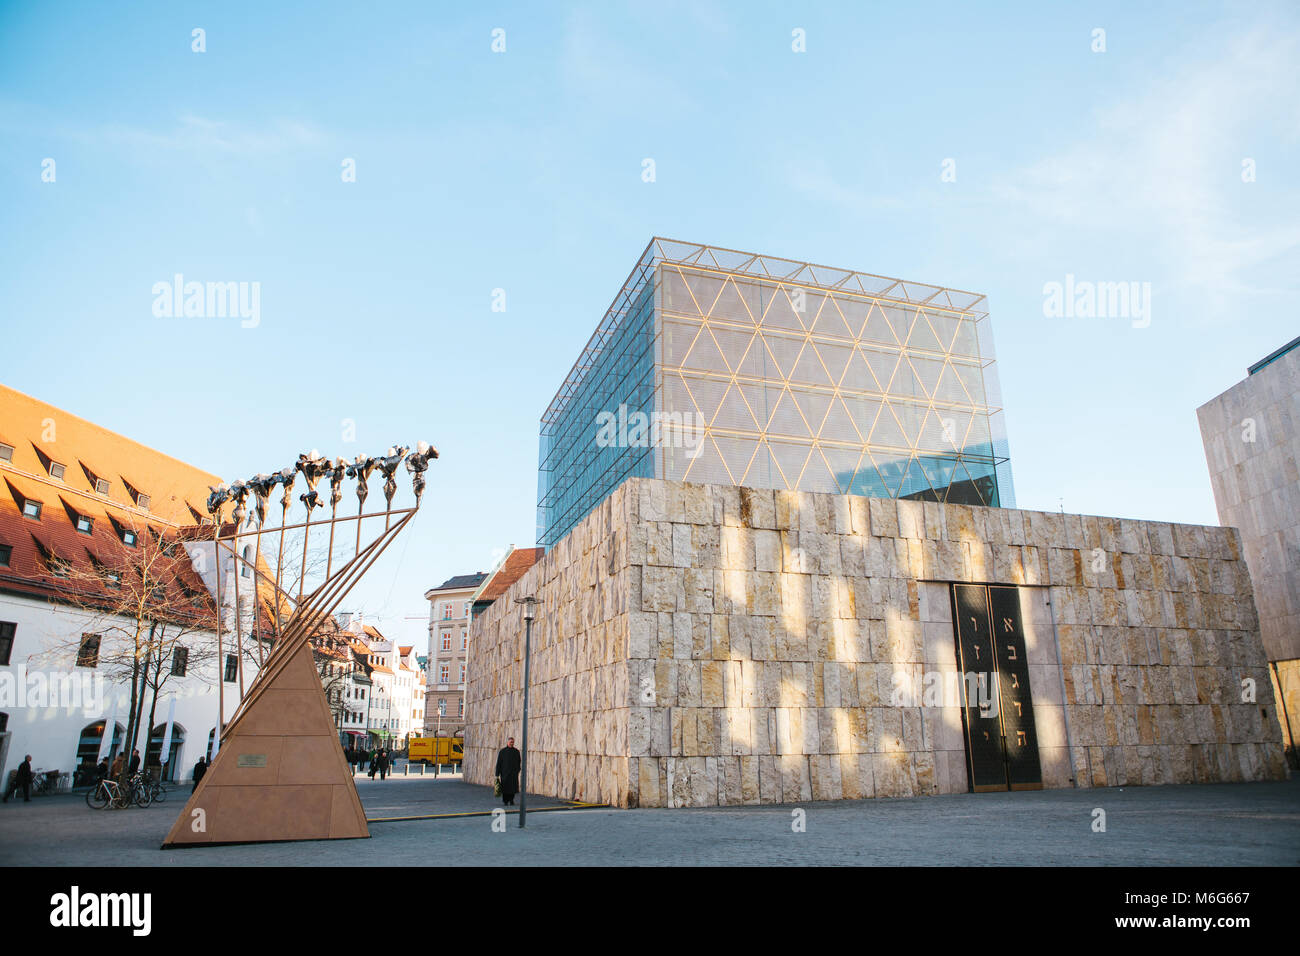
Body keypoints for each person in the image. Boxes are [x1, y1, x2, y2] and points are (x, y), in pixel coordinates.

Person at [495, 737, 521, 807]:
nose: (511, 743)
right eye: (510, 742)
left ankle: (511, 800)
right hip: (504, 773)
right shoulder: (502, 751)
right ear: (507, 742)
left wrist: (518, 770)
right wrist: (497, 774)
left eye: (512, 742)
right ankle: (505, 801)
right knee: (505, 788)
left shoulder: (516, 751)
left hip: (513, 773)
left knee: (513, 788)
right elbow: (499, 763)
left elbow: (519, 762)